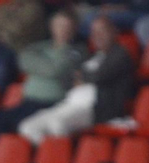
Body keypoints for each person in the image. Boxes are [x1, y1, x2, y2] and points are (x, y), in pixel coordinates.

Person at [18, 17, 135, 145]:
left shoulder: (120, 54)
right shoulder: (91, 57)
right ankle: (50, 153)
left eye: (102, 31)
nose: (97, 36)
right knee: (28, 126)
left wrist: (81, 76)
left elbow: (99, 76)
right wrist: (82, 77)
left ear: (114, 32)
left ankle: (63, 157)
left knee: (57, 124)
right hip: (70, 103)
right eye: (94, 32)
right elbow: (66, 80)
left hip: (95, 109)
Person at [0, 10, 84, 139]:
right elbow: (23, 59)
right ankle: (5, 155)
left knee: (24, 126)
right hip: (28, 103)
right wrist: (50, 66)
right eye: (59, 25)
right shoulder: (41, 47)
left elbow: (56, 69)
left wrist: (38, 66)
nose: (62, 29)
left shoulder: (77, 51)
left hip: (53, 105)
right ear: (52, 26)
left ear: (74, 28)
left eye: (66, 26)